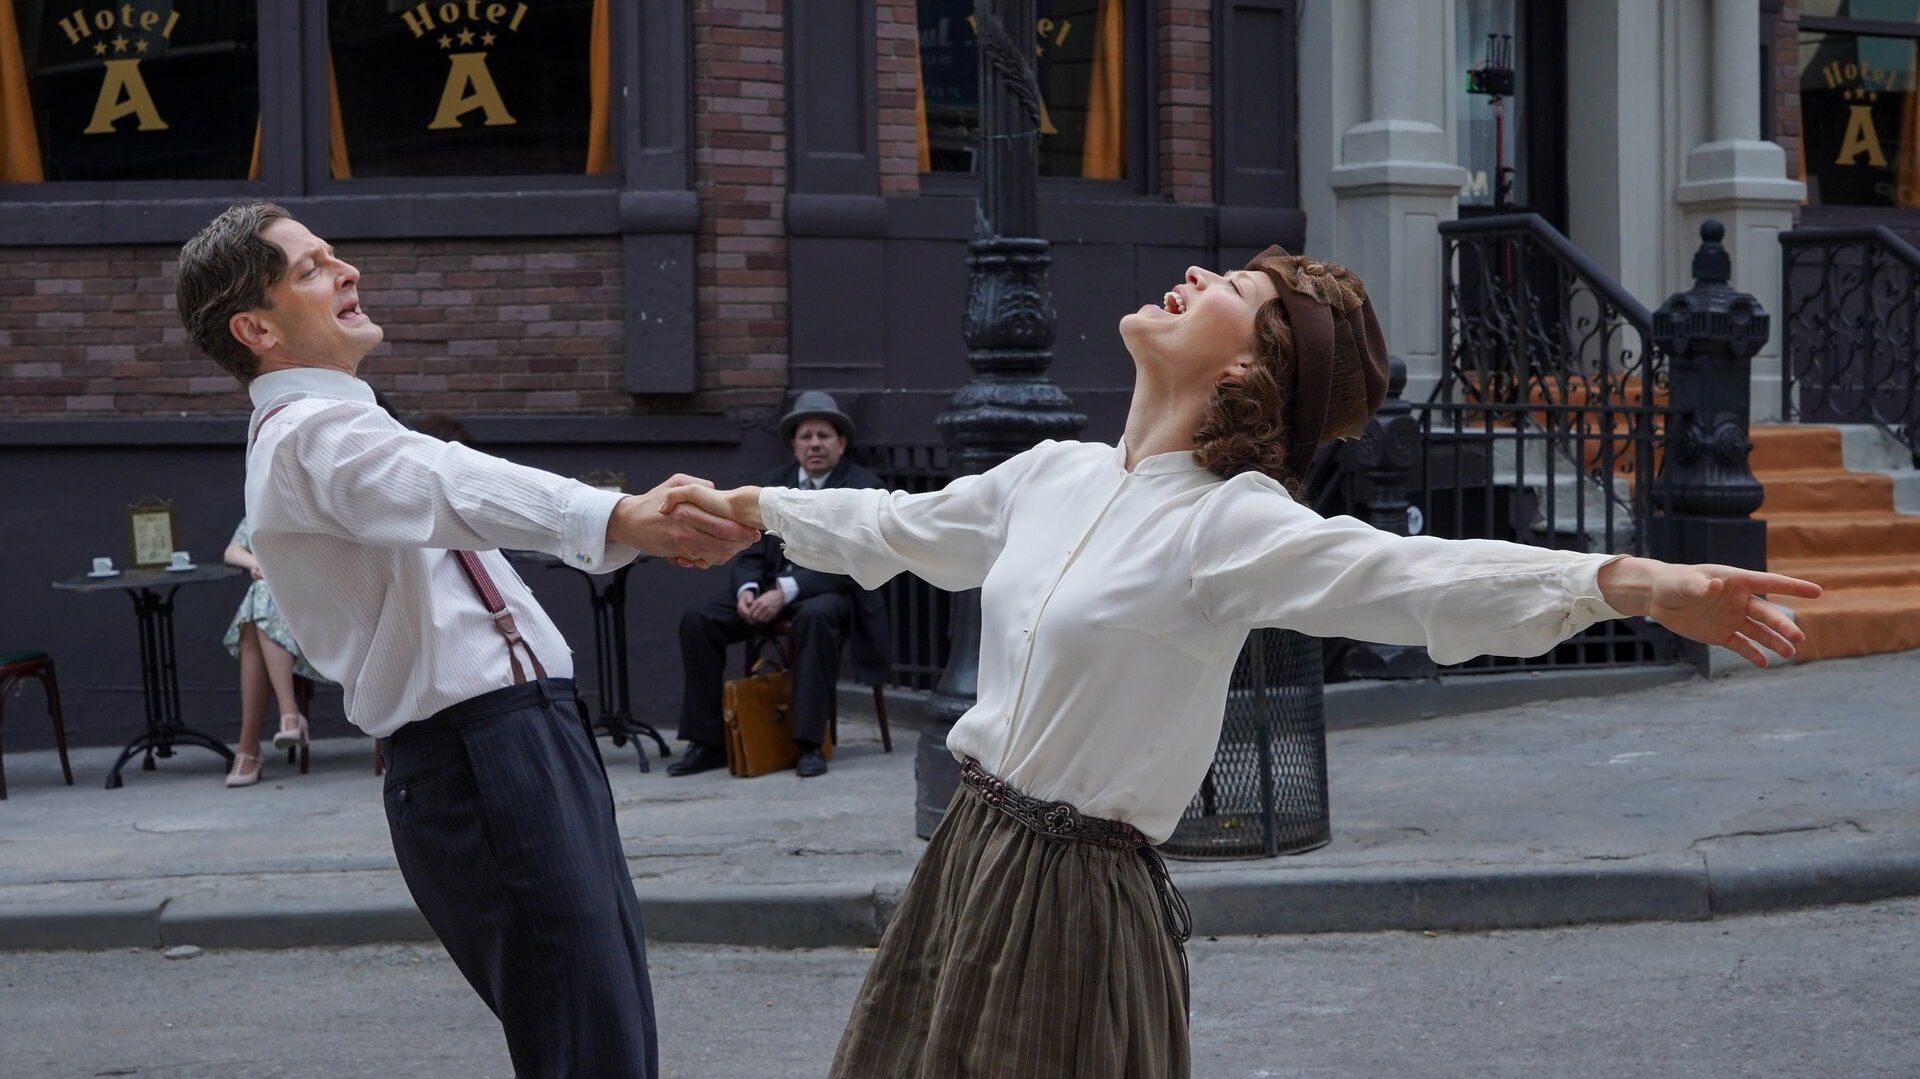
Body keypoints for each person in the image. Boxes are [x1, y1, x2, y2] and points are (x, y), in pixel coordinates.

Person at [659, 247, 1823, 1078]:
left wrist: (1630, 580)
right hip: (966, 862)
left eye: (1239, 291)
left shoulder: (1233, 521)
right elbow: (899, 530)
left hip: (1072, 897)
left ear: (1254, 370)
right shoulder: (1054, 473)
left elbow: (1413, 578)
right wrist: (743, 504)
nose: (1202, 277)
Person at [173, 201, 758, 1079]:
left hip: (527, 738)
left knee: (603, 1027)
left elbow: (449, 506)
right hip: (480, 757)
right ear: (256, 327)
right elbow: (448, 480)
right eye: (311, 268)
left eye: (334, 255)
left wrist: (621, 529)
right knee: (588, 1040)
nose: (346, 272)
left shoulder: (345, 424)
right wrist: (621, 516)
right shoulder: (306, 432)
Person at [667, 391, 890, 779]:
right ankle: (708, 743)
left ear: (841, 443)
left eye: (824, 435)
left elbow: (855, 561)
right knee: (699, 619)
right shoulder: (774, 484)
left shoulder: (863, 487)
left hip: (835, 593)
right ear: (794, 444)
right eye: (806, 436)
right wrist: (748, 589)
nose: (815, 444)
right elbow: (752, 550)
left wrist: (785, 592)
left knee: (816, 617)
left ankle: (808, 745)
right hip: (771, 589)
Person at [218, 517, 326, 788]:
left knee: (261, 602)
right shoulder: (265, 503)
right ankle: (288, 716)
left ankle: (251, 747)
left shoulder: (316, 498)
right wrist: (259, 564)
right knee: (261, 601)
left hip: (327, 620)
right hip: (283, 620)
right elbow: (232, 551)